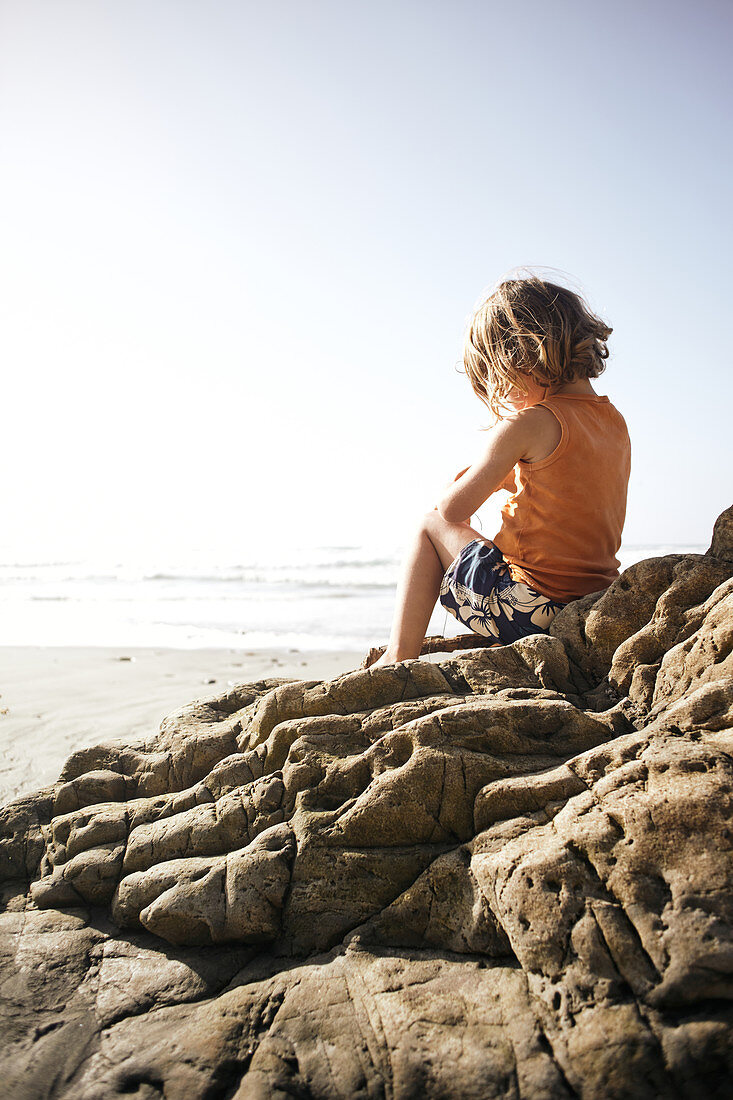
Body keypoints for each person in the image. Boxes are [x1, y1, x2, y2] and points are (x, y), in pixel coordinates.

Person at [367, 274, 631, 670]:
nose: (503, 391)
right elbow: (571, 490)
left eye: (499, 376)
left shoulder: (529, 423)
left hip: (529, 612)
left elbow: (453, 511)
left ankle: (398, 654)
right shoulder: (614, 421)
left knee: (428, 524)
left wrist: (475, 484)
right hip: (590, 604)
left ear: (520, 355)